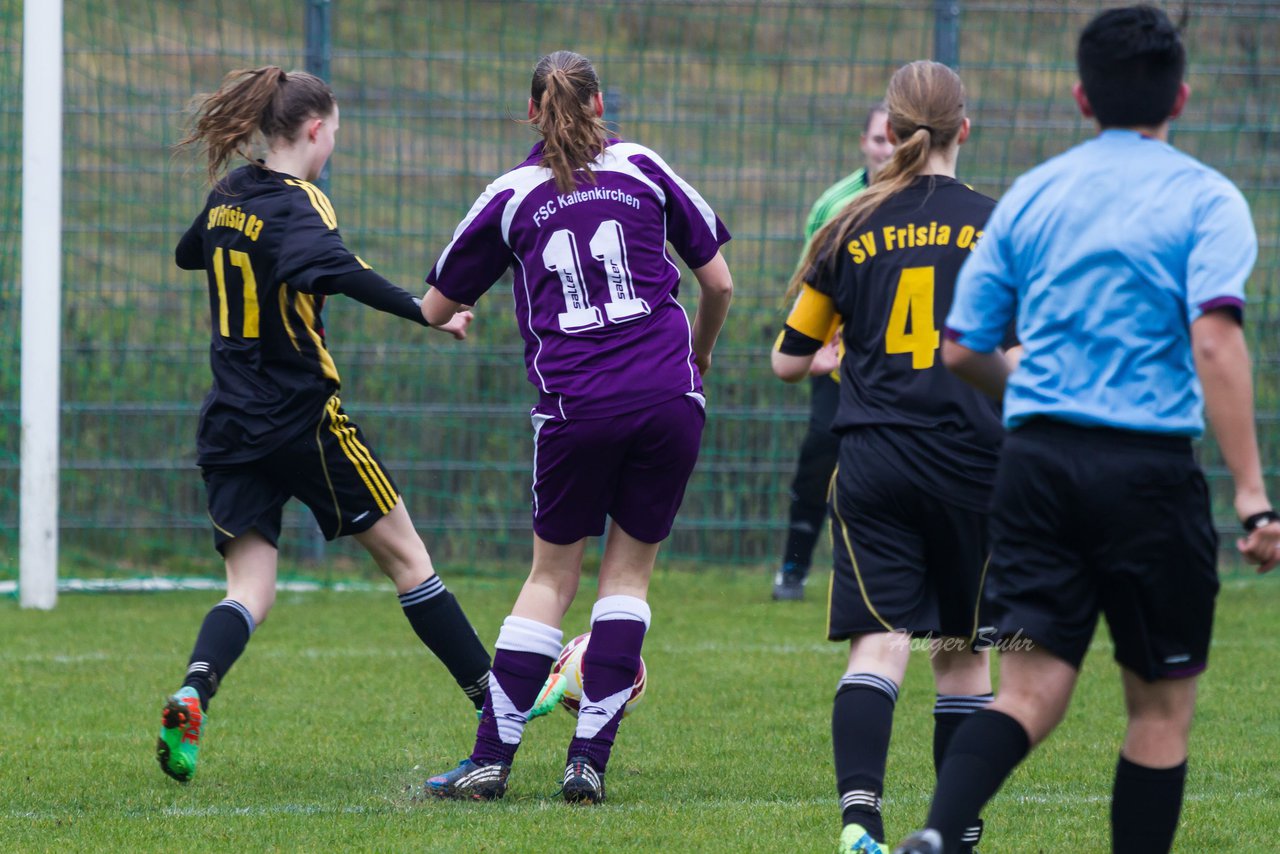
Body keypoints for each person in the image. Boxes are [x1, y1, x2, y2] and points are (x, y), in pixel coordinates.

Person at [892, 7, 1280, 854]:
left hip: (1033, 470)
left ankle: (935, 832)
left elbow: (962, 349)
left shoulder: (1031, 196)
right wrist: (1252, 498)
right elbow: (1215, 340)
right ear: (1179, 96)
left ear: (1079, 98)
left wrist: (1033, 386)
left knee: (1027, 695)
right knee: (1160, 708)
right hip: (1145, 474)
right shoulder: (1207, 198)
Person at [158, 66, 493, 783]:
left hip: (228, 423)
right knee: (409, 561)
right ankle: (498, 707)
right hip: (302, 416)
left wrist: (233, 227)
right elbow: (336, 270)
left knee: (250, 589)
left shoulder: (230, 194)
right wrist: (426, 310)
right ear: (316, 129)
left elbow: (191, 253)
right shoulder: (301, 202)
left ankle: (195, 689)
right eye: (335, 129)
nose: (335, 140)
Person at [420, 49, 733, 804]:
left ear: (531, 113)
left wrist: (462, 309)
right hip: (667, 398)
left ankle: (491, 761)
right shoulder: (641, 166)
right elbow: (718, 280)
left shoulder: (512, 192)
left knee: (550, 579)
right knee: (626, 578)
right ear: (600, 107)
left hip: (576, 408)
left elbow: (433, 306)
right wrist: (698, 356)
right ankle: (587, 762)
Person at [772, 60, 1011, 854]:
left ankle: (859, 823)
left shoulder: (848, 222)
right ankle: (956, 833)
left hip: (872, 460)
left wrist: (849, 343)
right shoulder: (998, 222)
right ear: (963, 129)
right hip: (974, 463)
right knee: (963, 654)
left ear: (893, 129)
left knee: (879, 647)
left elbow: (786, 356)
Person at [772, 105, 894, 601]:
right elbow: (810, 286)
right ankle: (794, 570)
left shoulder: (925, 201)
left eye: (895, 139)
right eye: (879, 140)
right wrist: (820, 347)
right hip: (837, 360)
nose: (887, 149)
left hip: (898, 362)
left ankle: (889, 572)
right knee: (818, 460)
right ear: (863, 142)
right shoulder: (835, 204)